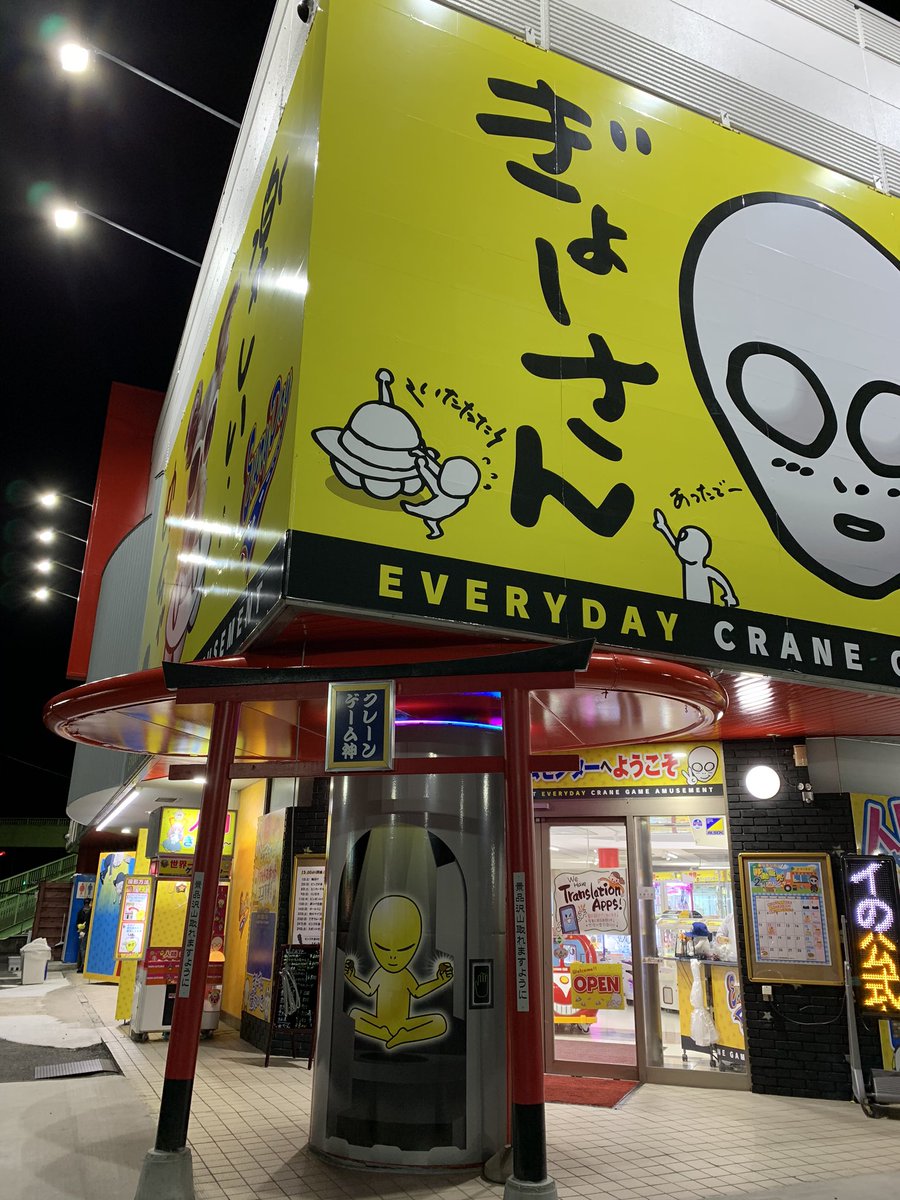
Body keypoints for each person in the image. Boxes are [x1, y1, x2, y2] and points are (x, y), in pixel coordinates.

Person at [75, 898, 93, 972]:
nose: (87, 905)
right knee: (82, 948)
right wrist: (79, 927)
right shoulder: (83, 912)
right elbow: (78, 923)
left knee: (82, 948)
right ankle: (82, 965)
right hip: (84, 931)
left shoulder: (87, 912)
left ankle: (82, 965)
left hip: (85, 931)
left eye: (87, 903)